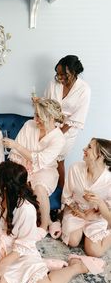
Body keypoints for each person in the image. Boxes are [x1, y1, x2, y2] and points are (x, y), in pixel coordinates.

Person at [0, 161, 105, 283]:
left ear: (5, 186)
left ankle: (76, 266)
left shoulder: (26, 209)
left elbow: (23, 245)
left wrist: (2, 265)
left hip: (19, 252)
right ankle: (42, 266)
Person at [4, 98, 66, 238]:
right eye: (35, 114)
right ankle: (13, 224)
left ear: (50, 117)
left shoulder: (58, 138)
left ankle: (44, 226)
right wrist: (20, 169)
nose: (35, 118)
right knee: (13, 183)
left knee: (39, 187)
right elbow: (15, 154)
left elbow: (40, 160)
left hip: (45, 169)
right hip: (22, 165)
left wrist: (17, 146)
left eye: (39, 116)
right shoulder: (29, 125)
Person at [44, 55, 91, 188]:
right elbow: (46, 104)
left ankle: (62, 194)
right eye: (57, 74)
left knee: (58, 160)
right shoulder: (53, 83)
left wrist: (58, 133)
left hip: (68, 130)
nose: (59, 78)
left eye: (63, 74)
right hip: (49, 125)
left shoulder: (84, 90)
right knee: (44, 157)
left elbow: (77, 117)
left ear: (74, 72)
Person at [61, 138, 111, 257]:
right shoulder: (75, 169)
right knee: (72, 241)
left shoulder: (109, 180)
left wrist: (99, 202)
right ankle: (83, 232)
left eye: (89, 147)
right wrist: (80, 213)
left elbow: (109, 216)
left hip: (99, 215)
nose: (84, 149)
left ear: (101, 156)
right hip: (76, 211)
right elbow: (67, 197)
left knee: (94, 252)